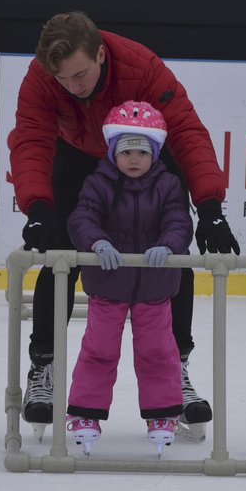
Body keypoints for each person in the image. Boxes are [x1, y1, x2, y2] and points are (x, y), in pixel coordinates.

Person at [8, 10, 240, 441]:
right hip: (76, 153)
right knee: (60, 252)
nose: (73, 88)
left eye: (79, 75)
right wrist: (37, 205)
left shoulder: (142, 67)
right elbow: (31, 138)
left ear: (100, 53)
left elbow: (188, 132)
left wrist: (209, 206)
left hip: (142, 148)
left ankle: (178, 368)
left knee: (174, 258)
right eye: (63, 80)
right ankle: (45, 367)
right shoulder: (42, 77)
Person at [65, 101, 192, 456]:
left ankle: (163, 414)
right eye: (125, 151)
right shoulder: (98, 183)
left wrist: (168, 246)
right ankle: (85, 413)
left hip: (154, 288)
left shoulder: (167, 185)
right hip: (108, 286)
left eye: (140, 151)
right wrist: (96, 240)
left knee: (157, 351)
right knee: (99, 349)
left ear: (154, 153)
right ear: (112, 153)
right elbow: (81, 218)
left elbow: (179, 221)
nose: (133, 159)